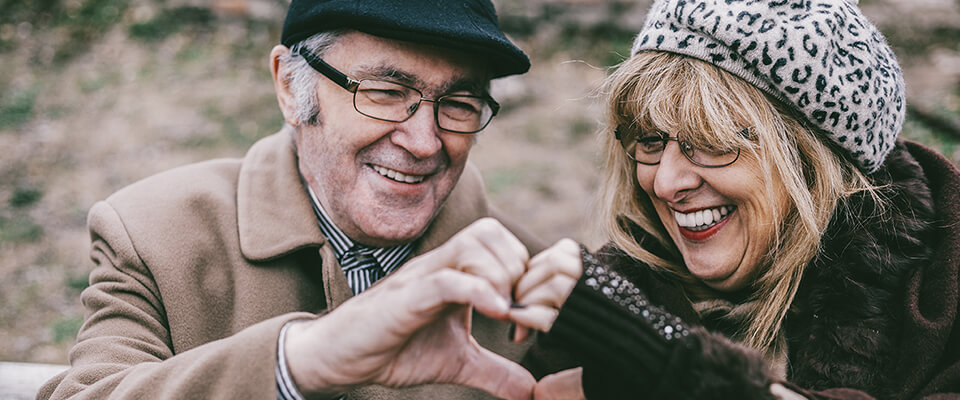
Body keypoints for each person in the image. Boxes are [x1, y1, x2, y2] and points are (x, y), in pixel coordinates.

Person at [37, 1, 583, 399]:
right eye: (385, 93)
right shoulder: (151, 233)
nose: (423, 142)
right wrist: (302, 358)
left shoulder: (546, 287)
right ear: (288, 88)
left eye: (460, 103)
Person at [516, 0, 960, 398]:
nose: (666, 183)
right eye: (650, 140)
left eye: (711, 140)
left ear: (815, 158)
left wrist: (664, 362)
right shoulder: (618, 296)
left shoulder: (944, 292)